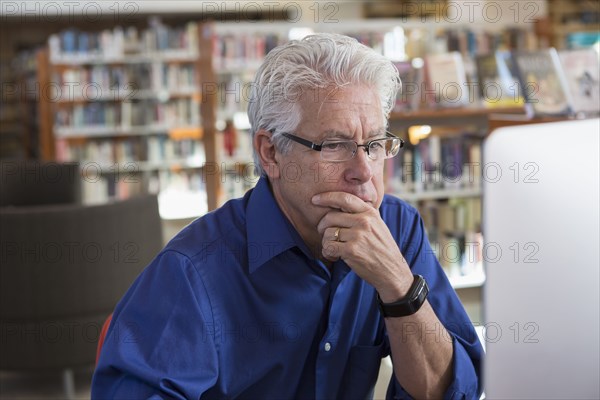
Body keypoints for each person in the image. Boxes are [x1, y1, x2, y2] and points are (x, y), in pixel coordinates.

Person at [92, 33, 483, 399]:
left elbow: (452, 388)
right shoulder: (192, 271)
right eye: (334, 145)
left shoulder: (396, 228)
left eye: (375, 144)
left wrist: (398, 286)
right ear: (270, 153)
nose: (363, 170)